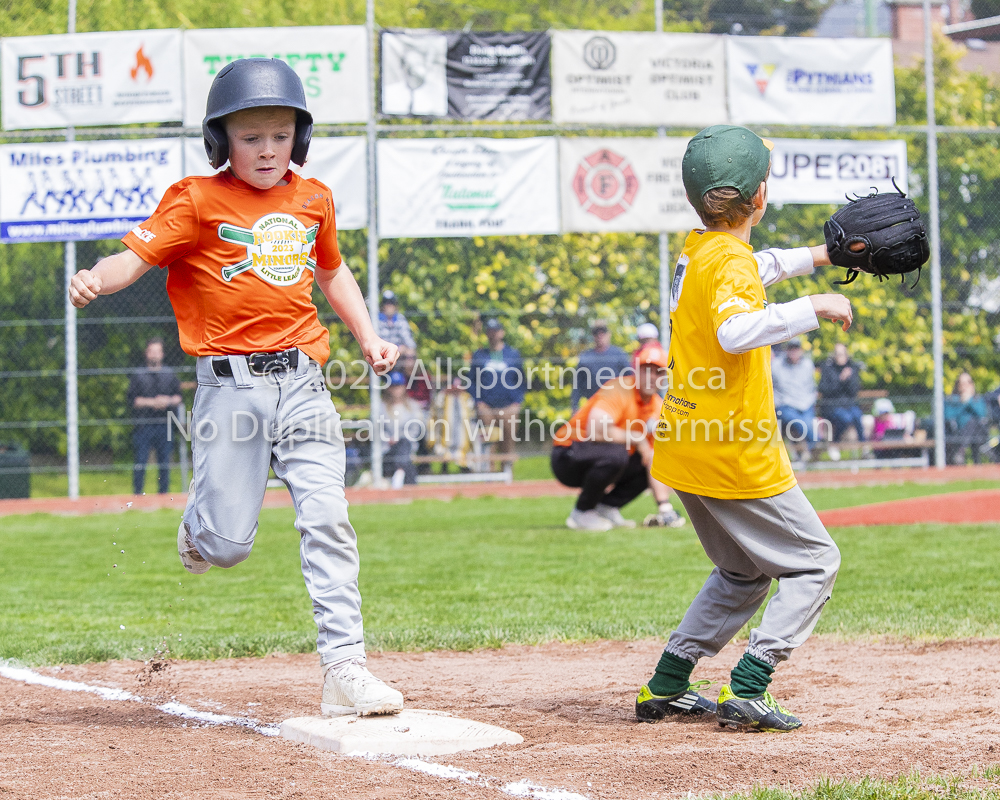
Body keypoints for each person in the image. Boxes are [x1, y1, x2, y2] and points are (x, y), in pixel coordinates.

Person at [68, 59, 404, 719]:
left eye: (281, 135)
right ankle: (198, 528)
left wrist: (367, 336)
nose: (268, 149)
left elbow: (333, 275)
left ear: (298, 140)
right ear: (222, 140)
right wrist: (94, 279)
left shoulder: (313, 199)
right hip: (230, 390)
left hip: (305, 382)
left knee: (328, 517)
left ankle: (346, 667)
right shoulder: (195, 199)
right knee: (226, 547)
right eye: (251, 136)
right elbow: (132, 258)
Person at [635, 125, 851, 732]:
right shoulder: (726, 260)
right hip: (735, 452)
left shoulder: (701, 250)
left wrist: (819, 257)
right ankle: (751, 683)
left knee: (743, 571)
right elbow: (735, 328)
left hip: (686, 445)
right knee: (813, 563)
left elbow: (752, 268)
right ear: (756, 197)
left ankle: (669, 682)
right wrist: (817, 306)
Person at [552, 343, 685, 531]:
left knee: (649, 463)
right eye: (646, 370)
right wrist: (637, 438)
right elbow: (596, 430)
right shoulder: (619, 389)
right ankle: (582, 513)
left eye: (658, 372)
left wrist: (664, 506)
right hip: (568, 454)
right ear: (636, 371)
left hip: (601, 456)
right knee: (617, 454)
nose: (651, 377)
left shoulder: (657, 406)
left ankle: (606, 507)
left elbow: (655, 458)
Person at [128, 338, 181, 495]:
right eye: (151, 351)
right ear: (146, 353)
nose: (154, 355)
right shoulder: (138, 375)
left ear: (162, 354)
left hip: (165, 424)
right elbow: (133, 400)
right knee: (140, 461)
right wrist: (152, 402)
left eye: (157, 351)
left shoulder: (169, 374)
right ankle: (138, 494)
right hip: (144, 425)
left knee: (164, 462)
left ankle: (163, 495)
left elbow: (178, 397)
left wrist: (168, 401)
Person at [470, 319, 524, 469]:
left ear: (502, 333)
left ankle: (507, 475)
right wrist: (478, 401)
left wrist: (517, 402)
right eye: (490, 331)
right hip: (486, 407)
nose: (493, 335)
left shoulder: (512, 354)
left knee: (508, 442)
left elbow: (521, 380)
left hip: (509, 407)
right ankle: (490, 476)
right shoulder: (479, 355)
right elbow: (472, 381)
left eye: (496, 331)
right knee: (488, 442)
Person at [771, 338, 818, 460]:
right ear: (787, 350)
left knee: (807, 423)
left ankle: (813, 449)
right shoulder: (777, 365)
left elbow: (812, 387)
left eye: (796, 349)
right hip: (785, 406)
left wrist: (811, 399)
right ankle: (817, 444)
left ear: (800, 350)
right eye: (791, 349)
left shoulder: (807, 365)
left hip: (805, 405)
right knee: (798, 422)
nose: (794, 352)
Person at [571, 320, 632, 411]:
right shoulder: (585, 357)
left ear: (608, 334)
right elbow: (577, 385)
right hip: (594, 405)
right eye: (596, 332)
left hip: (617, 405)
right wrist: (574, 407)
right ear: (593, 335)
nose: (600, 335)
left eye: (603, 331)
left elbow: (630, 379)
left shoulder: (619, 354)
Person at [378, 370, 425, 487]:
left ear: (403, 387)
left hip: (407, 447)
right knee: (407, 464)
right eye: (393, 386)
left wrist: (399, 437)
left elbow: (415, 430)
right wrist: (388, 439)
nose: (396, 389)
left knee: (404, 444)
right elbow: (376, 429)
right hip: (388, 449)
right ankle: (402, 477)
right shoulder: (380, 407)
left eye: (398, 386)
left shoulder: (413, 406)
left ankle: (399, 474)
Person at [817, 343, 864, 445]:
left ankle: (864, 446)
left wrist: (849, 379)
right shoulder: (827, 368)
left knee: (857, 415)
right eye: (838, 354)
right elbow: (824, 389)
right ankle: (835, 442)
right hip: (832, 406)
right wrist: (840, 380)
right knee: (845, 418)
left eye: (842, 354)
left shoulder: (852, 368)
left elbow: (854, 391)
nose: (840, 357)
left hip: (849, 405)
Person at [944, 372, 991, 464]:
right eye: (961, 383)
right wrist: (962, 403)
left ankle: (961, 450)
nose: (964, 386)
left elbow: (982, 415)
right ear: (957, 385)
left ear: (972, 385)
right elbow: (948, 416)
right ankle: (967, 454)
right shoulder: (952, 400)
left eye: (968, 383)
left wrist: (969, 401)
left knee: (973, 422)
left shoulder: (978, 399)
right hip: (957, 432)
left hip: (979, 433)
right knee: (972, 422)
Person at [377, 290, 416, 358]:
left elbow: (409, 342)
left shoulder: (400, 319)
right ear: (382, 305)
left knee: (410, 353)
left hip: (399, 354)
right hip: (382, 353)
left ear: (395, 305)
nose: (389, 305)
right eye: (386, 303)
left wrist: (400, 349)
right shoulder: (376, 320)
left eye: (391, 302)